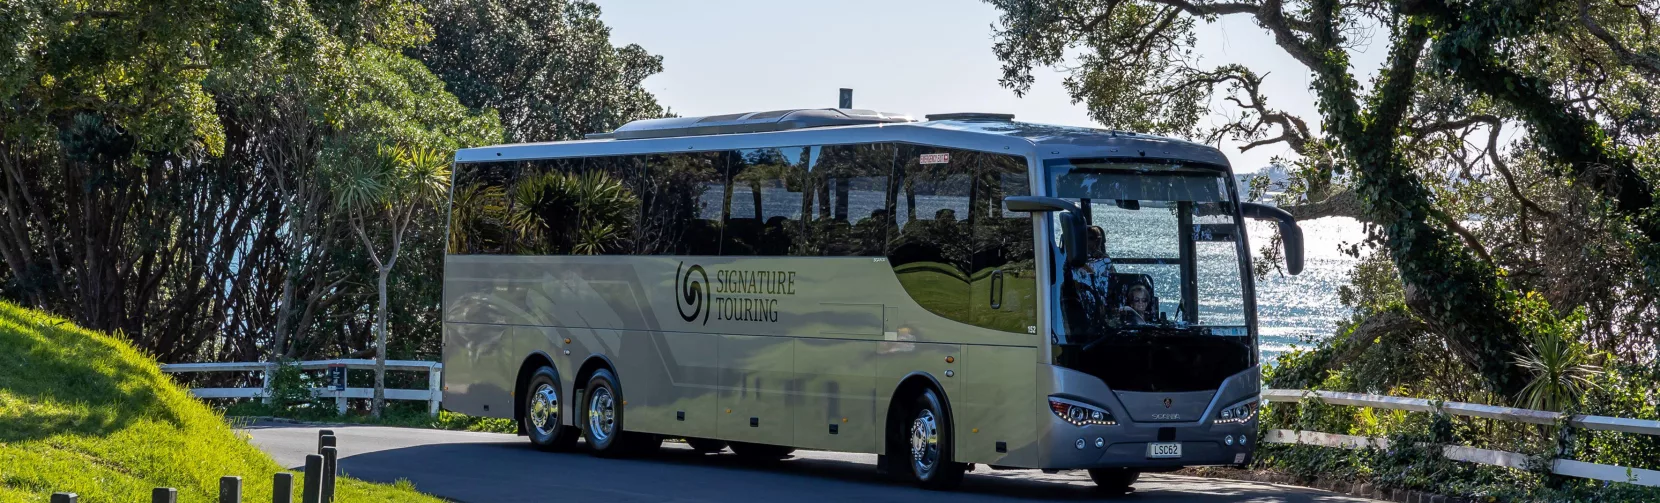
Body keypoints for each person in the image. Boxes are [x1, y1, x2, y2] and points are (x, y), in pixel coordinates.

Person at [1063, 225, 1116, 333]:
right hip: (1078, 301)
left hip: (1099, 301)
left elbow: (1113, 281)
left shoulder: (1104, 260)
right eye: (1089, 238)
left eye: (1097, 239)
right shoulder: (1072, 260)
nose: (1093, 242)